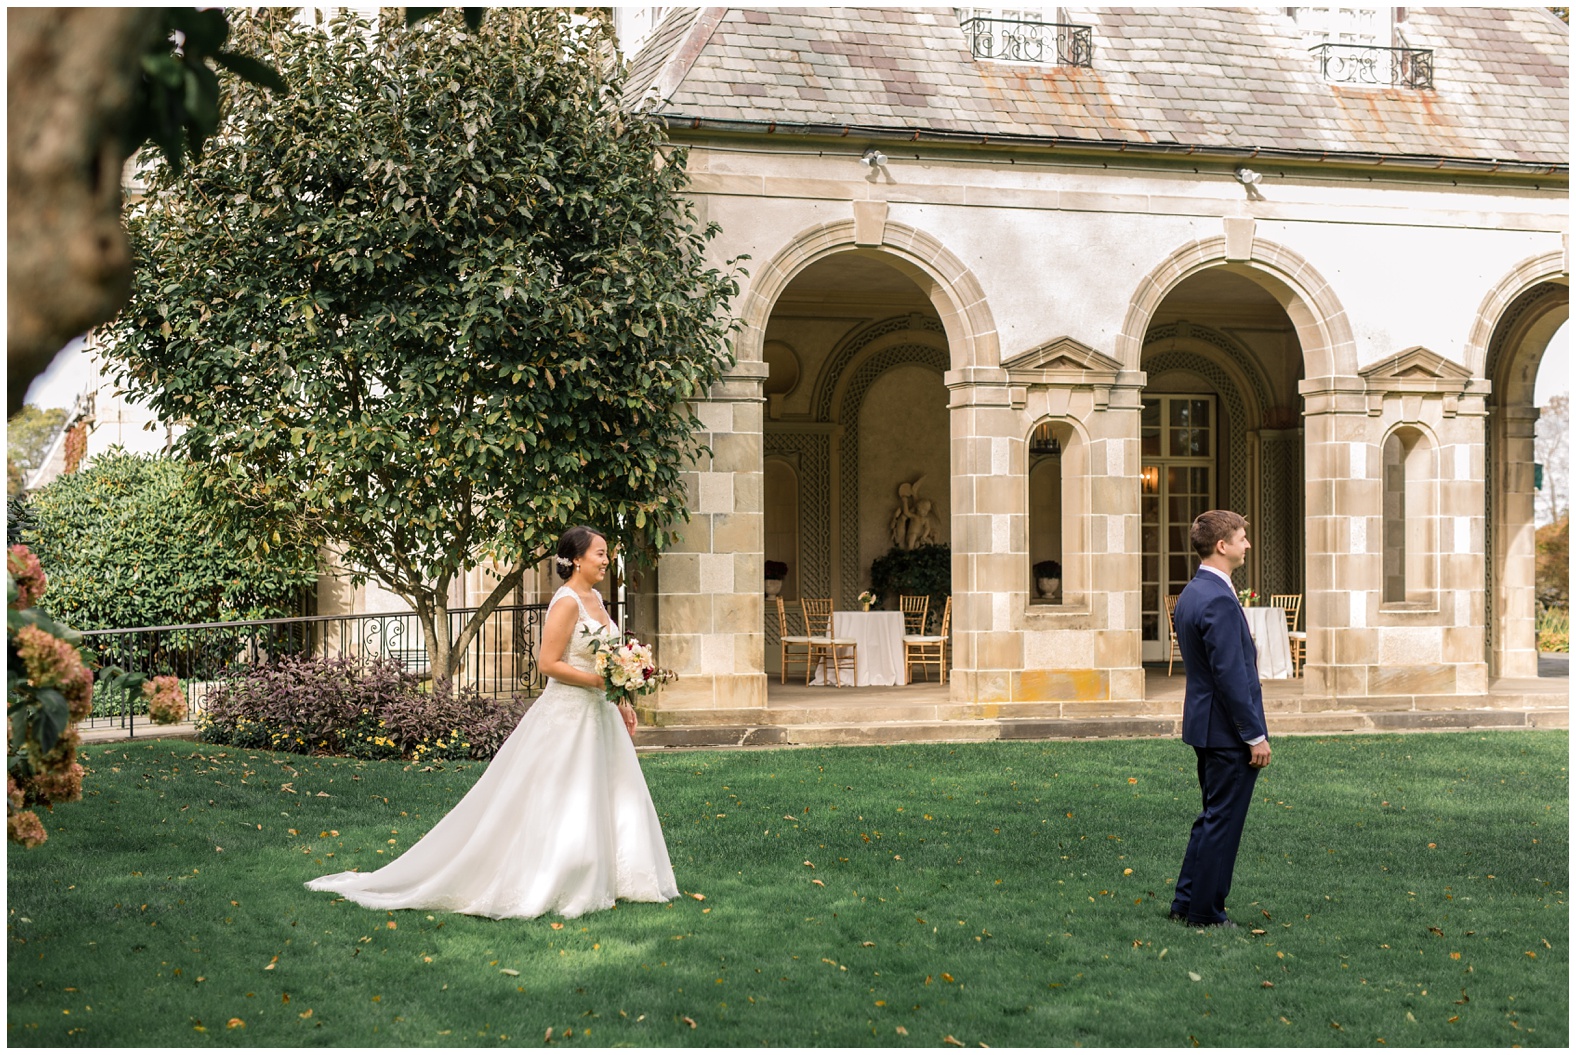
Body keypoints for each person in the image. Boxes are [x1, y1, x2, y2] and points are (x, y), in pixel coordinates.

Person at [305, 525, 679, 919]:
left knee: (610, 790)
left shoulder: (598, 599)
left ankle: (616, 876)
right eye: (600, 553)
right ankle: (559, 875)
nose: (606, 560)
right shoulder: (567, 602)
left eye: (606, 553)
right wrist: (599, 681)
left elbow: (607, 658)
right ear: (576, 559)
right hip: (568, 713)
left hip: (599, 712)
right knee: (562, 796)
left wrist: (619, 698)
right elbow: (548, 664)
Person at [1168, 509, 1270, 930]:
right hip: (1227, 732)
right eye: (1242, 538)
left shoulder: (1193, 591)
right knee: (1222, 823)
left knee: (1212, 816)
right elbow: (1231, 677)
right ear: (1222, 546)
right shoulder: (1217, 598)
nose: (1247, 544)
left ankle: (1186, 901)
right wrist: (1254, 736)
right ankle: (1206, 913)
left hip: (1205, 725)